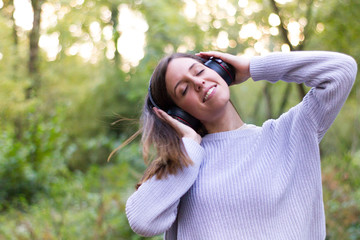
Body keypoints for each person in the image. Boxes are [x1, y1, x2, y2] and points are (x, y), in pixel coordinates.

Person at [125, 50, 357, 239]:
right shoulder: (186, 163)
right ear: (178, 115)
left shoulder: (289, 134)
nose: (198, 82)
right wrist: (189, 146)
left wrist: (252, 67)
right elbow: (141, 219)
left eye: (199, 71)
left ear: (220, 70)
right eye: (183, 89)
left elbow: (342, 70)